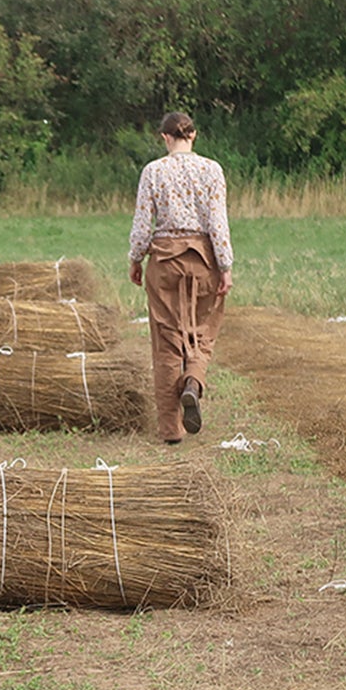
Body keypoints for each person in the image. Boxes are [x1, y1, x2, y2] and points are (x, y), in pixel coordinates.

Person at [128, 110, 233, 443]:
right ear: (193, 135)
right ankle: (193, 381)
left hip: (164, 261)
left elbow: (142, 224)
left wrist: (135, 259)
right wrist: (225, 266)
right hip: (203, 260)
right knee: (203, 331)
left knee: (166, 339)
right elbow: (218, 223)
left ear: (165, 138)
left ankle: (171, 430)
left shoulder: (153, 171)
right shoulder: (212, 170)